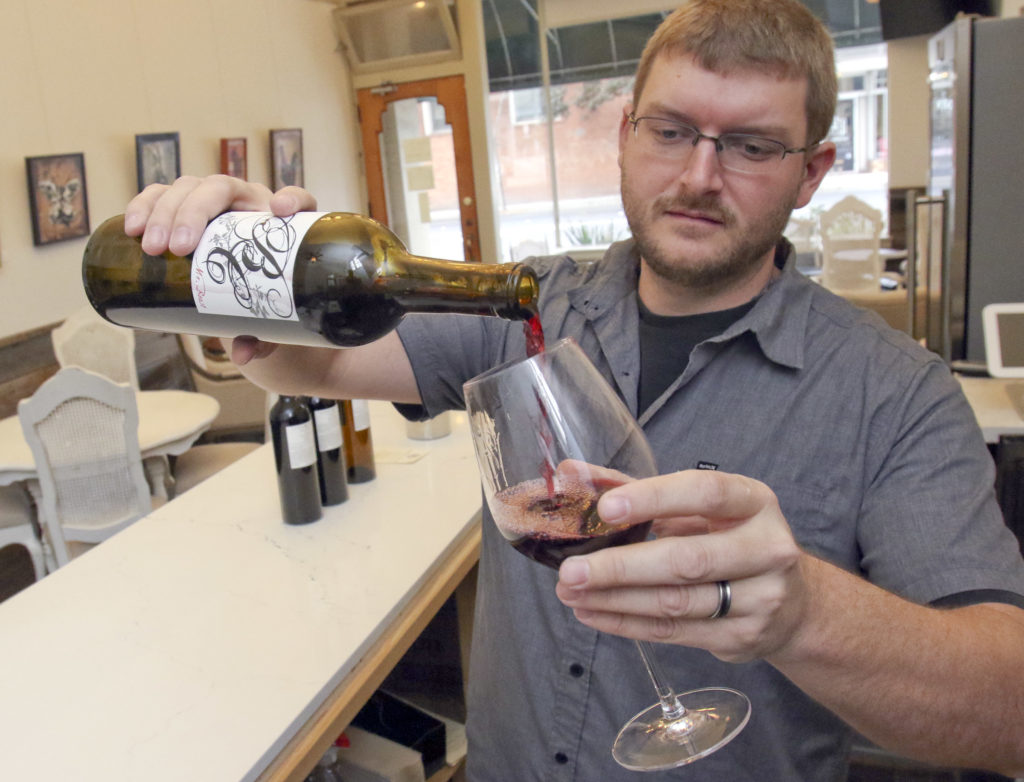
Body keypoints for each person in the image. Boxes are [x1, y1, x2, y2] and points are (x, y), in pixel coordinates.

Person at [123, 0, 1024, 778]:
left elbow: (1006, 712)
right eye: (671, 131)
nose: (699, 175)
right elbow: (311, 362)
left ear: (812, 172)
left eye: (751, 146)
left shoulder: (896, 393)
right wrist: (241, 263)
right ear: (628, 130)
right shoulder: (527, 302)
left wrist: (802, 613)